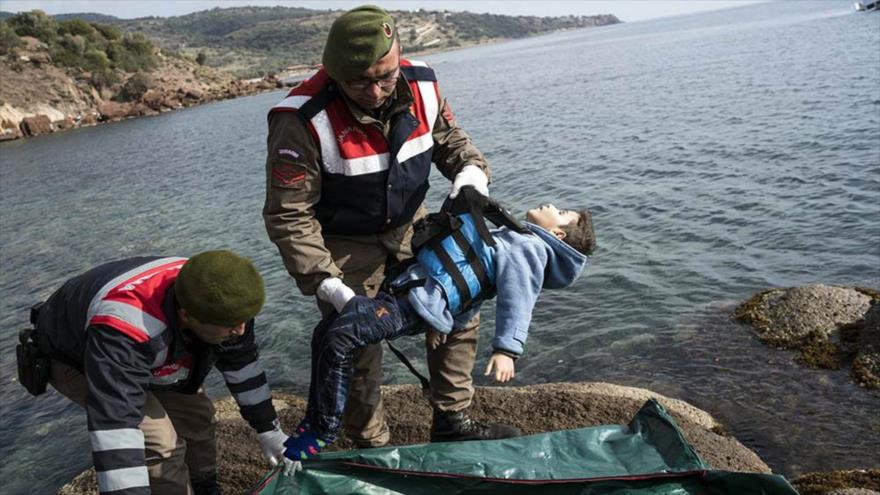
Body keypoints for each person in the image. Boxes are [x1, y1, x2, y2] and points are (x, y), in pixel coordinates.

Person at [263, 5, 517, 447]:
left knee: (460, 302)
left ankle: (452, 418)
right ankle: (371, 443)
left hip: (410, 222)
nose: (377, 90)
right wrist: (327, 285)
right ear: (332, 72)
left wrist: (470, 177)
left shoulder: (421, 82)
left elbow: (452, 142)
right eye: (360, 81)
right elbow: (289, 214)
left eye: (386, 75)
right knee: (358, 342)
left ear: (399, 53)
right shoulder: (300, 120)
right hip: (343, 240)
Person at [280, 199, 596, 460]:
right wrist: (442, 320)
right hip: (409, 297)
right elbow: (476, 286)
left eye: (563, 212)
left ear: (558, 234)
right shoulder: (512, 238)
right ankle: (314, 417)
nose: (553, 204)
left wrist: (506, 349)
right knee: (328, 329)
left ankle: (324, 427)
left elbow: (518, 298)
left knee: (341, 336)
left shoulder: (530, 250)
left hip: (404, 307)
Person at [16, 251, 296, 495]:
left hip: (156, 344)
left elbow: (242, 367)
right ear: (187, 315)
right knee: (161, 444)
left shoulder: (224, 298)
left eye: (243, 321)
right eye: (230, 326)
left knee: (199, 418)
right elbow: (116, 430)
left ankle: (205, 489)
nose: (241, 331)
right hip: (76, 355)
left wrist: (268, 429)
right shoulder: (124, 329)